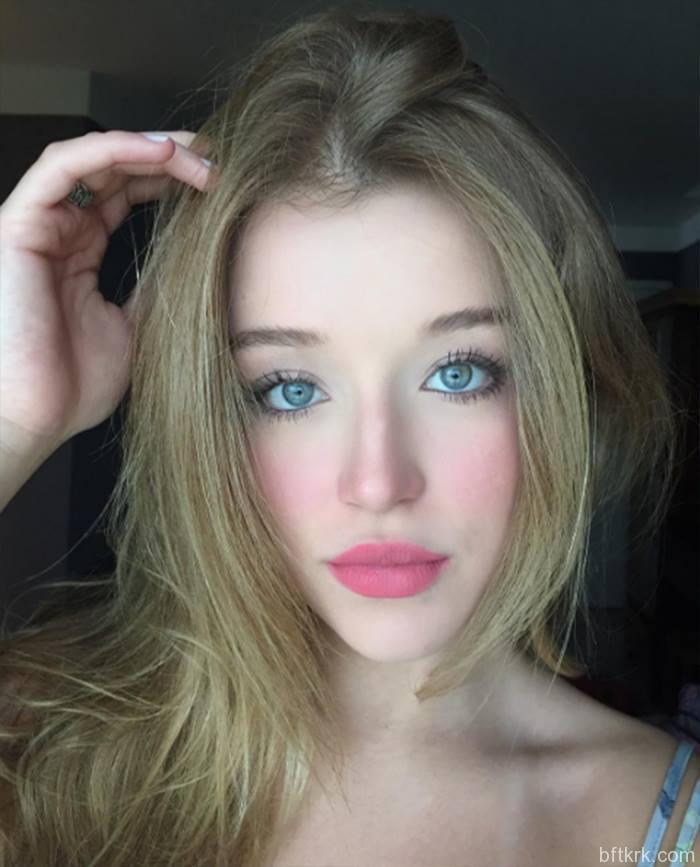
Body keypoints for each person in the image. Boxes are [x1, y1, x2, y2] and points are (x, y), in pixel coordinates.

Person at [0, 7, 697, 866]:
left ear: (556, 388)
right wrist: (11, 418)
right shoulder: (40, 740)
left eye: (458, 373)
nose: (378, 481)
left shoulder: (670, 831)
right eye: (290, 388)